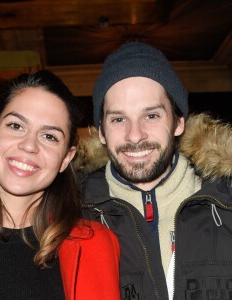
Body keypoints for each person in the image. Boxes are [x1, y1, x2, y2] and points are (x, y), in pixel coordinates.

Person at [0, 70, 121, 300]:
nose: (29, 145)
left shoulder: (96, 248)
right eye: (16, 126)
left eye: (49, 136)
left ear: (66, 159)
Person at [76, 42, 232, 299]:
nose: (135, 135)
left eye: (151, 116)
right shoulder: (69, 214)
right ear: (101, 132)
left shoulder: (226, 202)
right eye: (118, 119)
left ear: (178, 122)